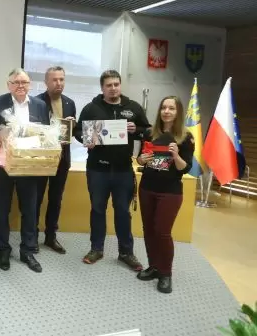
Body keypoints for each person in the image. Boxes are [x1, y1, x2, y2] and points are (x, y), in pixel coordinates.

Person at [73, 70, 151, 270]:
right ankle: (96, 249)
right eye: (109, 85)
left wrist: (137, 130)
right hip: (97, 169)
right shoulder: (91, 108)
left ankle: (126, 252)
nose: (113, 88)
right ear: (102, 88)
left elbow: (148, 130)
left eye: (116, 84)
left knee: (123, 211)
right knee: (97, 209)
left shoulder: (133, 108)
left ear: (120, 85)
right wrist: (86, 139)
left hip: (123, 170)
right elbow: (77, 130)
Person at [0, 68, 50, 273]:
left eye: (24, 82)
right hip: (3, 167)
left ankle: (28, 251)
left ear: (30, 84)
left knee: (29, 210)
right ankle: (3, 249)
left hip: (29, 166)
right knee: (2, 209)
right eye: (16, 82)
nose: (20, 86)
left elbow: (46, 135)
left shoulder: (40, 105)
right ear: (9, 85)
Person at [136, 96, 194, 293]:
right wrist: (141, 159)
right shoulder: (149, 133)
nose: (167, 111)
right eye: (164, 108)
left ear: (178, 112)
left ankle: (166, 273)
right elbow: (140, 159)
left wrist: (176, 155)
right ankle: (154, 266)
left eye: (171, 108)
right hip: (147, 188)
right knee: (148, 230)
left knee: (162, 232)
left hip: (170, 191)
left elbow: (185, 168)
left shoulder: (186, 137)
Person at [35, 66, 76, 254]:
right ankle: (32, 236)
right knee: (36, 198)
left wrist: (72, 125)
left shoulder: (70, 103)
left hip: (62, 159)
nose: (59, 83)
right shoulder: (36, 102)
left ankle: (51, 236)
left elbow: (71, 134)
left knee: (56, 199)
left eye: (62, 79)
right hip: (42, 158)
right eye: (54, 80)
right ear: (46, 82)